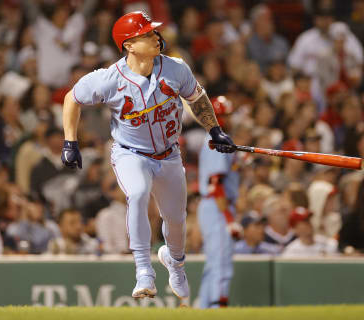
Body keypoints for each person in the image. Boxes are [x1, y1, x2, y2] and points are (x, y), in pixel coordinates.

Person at [61, 11, 236, 302]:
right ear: (129, 44)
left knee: (176, 221)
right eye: (147, 34)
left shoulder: (176, 68)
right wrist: (70, 140)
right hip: (131, 153)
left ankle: (176, 263)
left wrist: (215, 130)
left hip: (168, 156)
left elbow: (197, 98)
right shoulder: (109, 79)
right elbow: (72, 98)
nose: (156, 37)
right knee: (138, 194)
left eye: (154, 32)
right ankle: (144, 269)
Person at [197, 96, 241, 308]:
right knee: (221, 263)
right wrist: (229, 218)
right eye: (224, 115)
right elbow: (216, 184)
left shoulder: (213, 139)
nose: (227, 119)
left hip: (212, 206)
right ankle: (217, 307)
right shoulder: (218, 140)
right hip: (217, 207)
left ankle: (204, 309)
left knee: (214, 263)